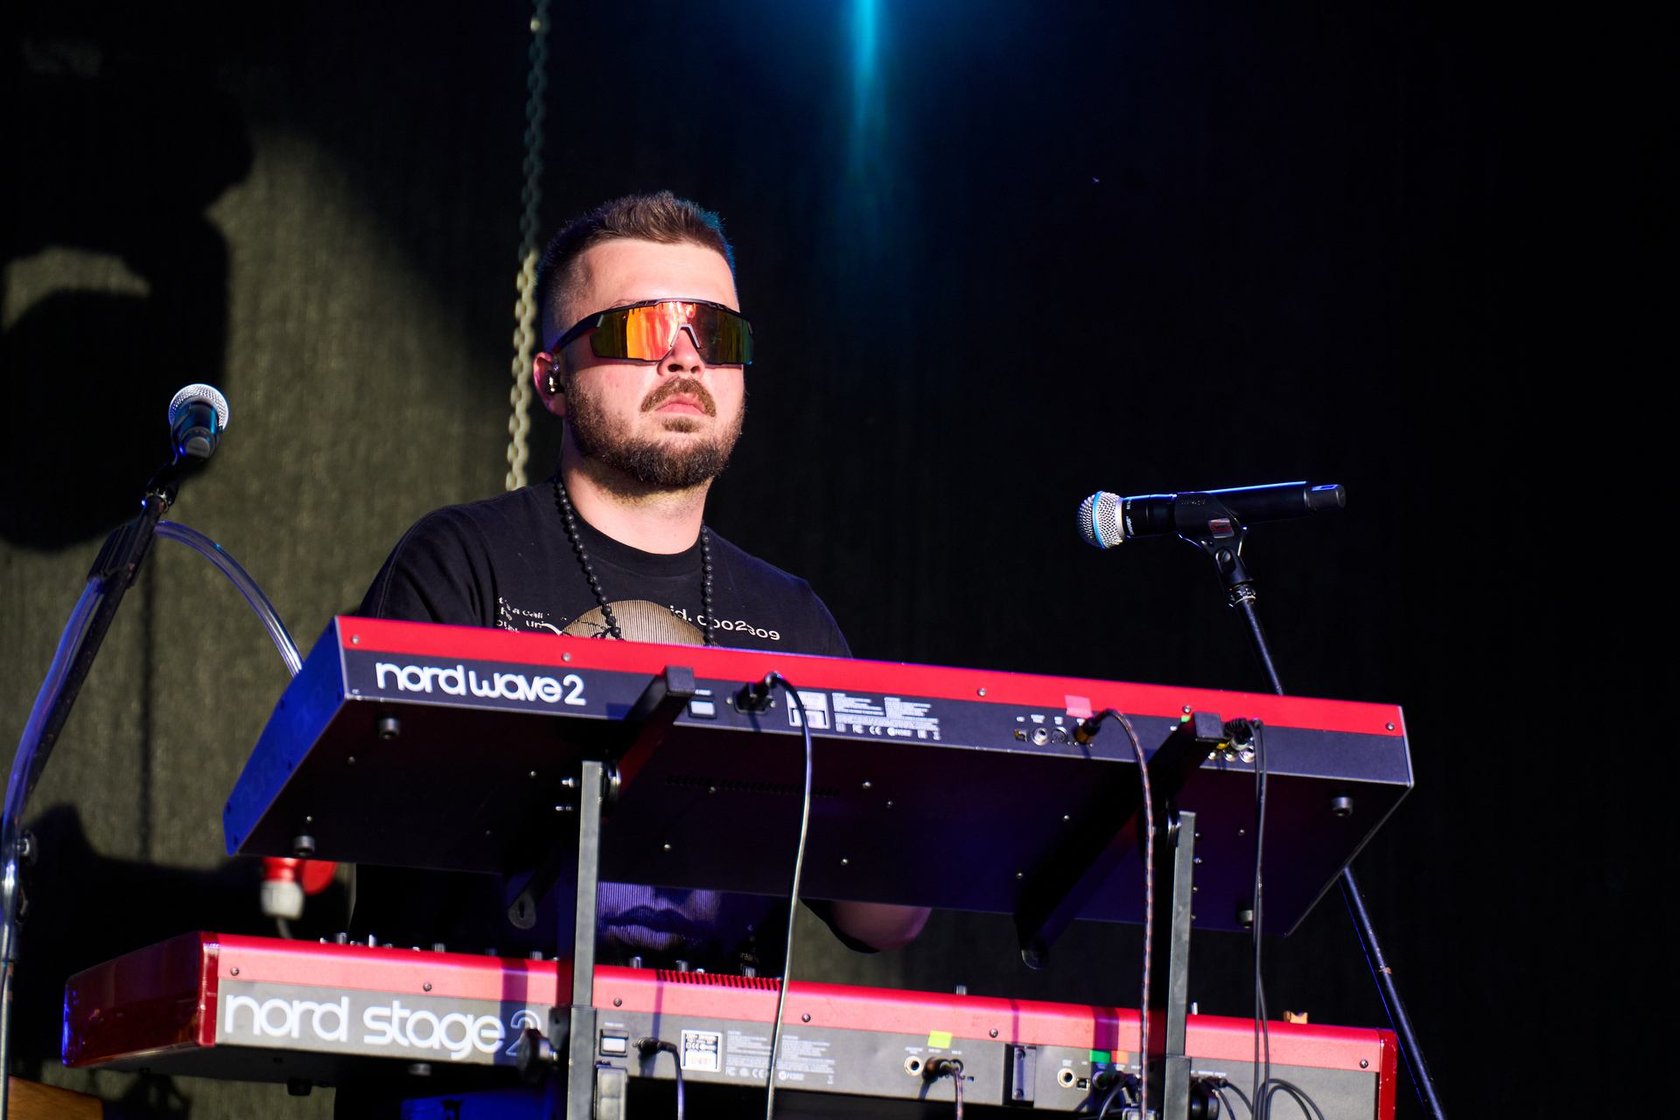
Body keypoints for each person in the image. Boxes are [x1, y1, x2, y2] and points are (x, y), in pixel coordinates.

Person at [347, 190, 929, 978]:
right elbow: (393, 821)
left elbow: (885, 918)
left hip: (713, 1050)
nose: (686, 359)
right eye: (642, 329)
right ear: (553, 379)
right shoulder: (460, 562)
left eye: (716, 335)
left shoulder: (791, 619)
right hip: (479, 1038)